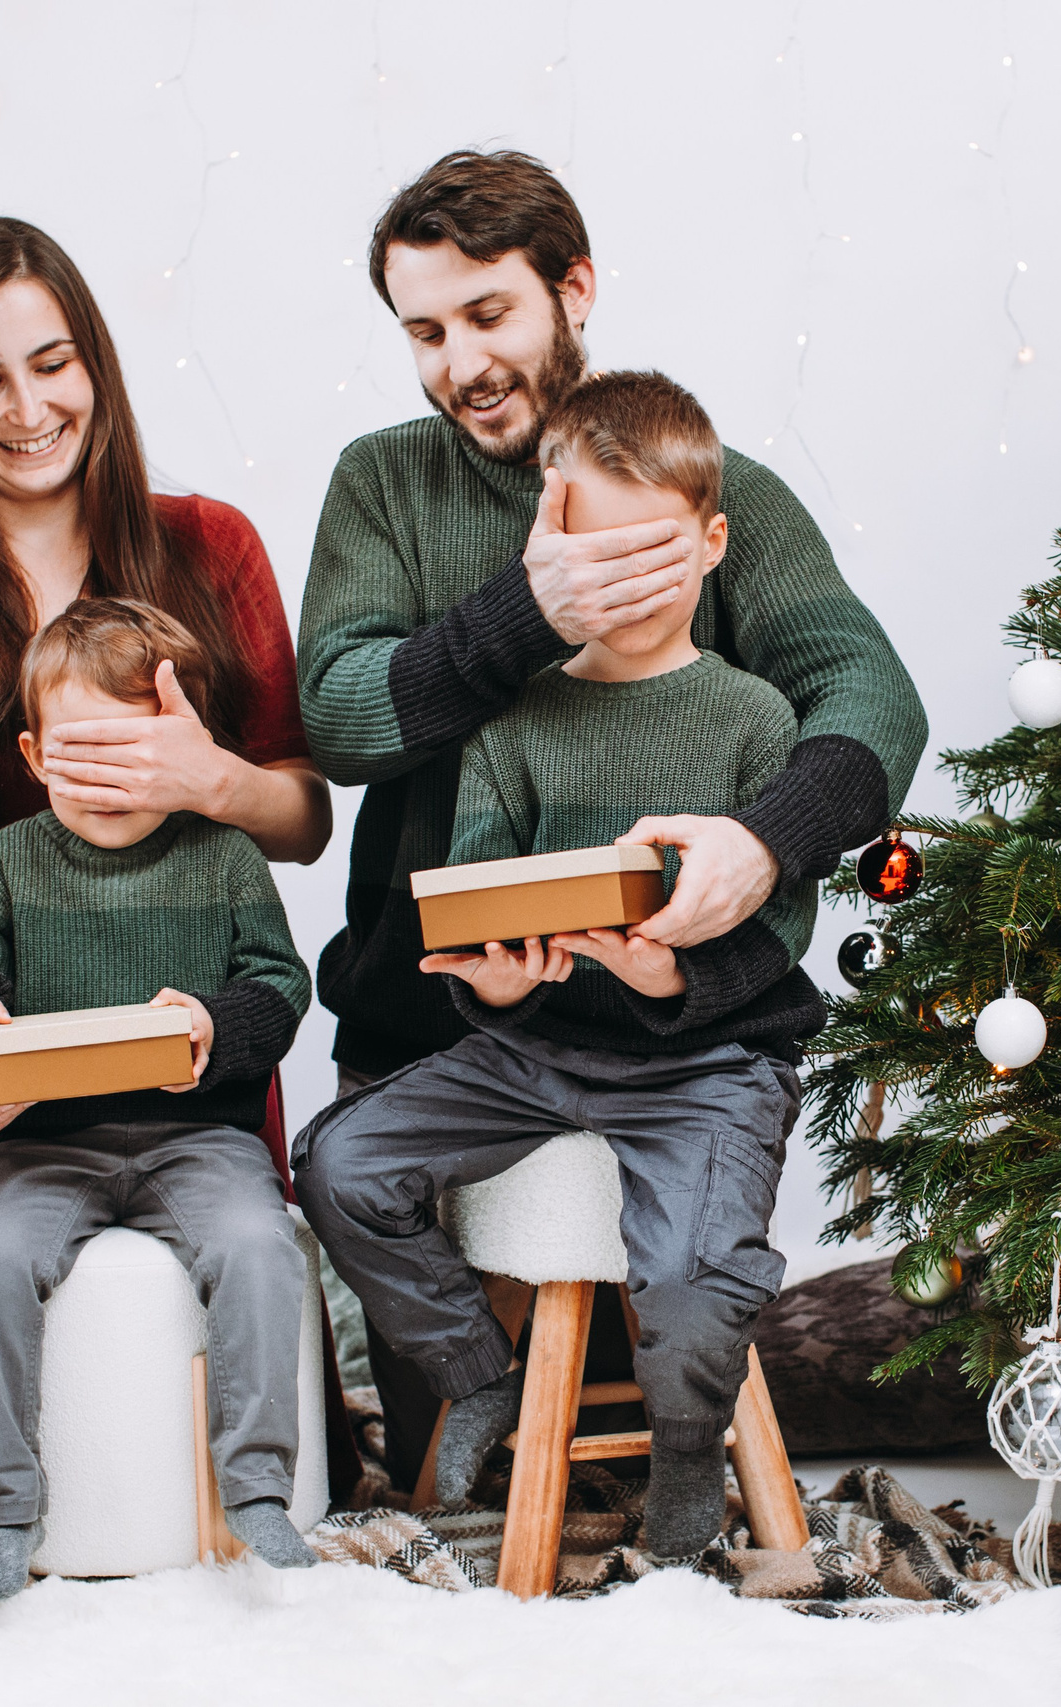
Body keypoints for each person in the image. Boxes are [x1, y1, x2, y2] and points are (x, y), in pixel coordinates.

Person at [298, 149, 926, 1484]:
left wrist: (766, 840)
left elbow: (870, 691)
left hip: (675, 1015)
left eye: (488, 317)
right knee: (458, 1470)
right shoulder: (384, 485)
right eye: (424, 331)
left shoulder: (709, 488)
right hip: (436, 1018)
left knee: (620, 1450)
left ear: (573, 289)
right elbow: (341, 717)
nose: (459, 364)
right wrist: (532, 616)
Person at [298, 372, 821, 1562]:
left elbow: (776, 936)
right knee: (340, 1163)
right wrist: (493, 980)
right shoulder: (512, 724)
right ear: (546, 545)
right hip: (526, 1052)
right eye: (596, 549)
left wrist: (656, 975)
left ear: (712, 544)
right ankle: (477, 1374)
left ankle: (687, 1457)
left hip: (704, 1067)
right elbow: (473, 912)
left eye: (655, 550)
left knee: (696, 1284)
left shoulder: (754, 722)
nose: (627, 582)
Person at [0, 216, 329, 1222]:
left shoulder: (210, 545)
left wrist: (209, 781)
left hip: (182, 1030)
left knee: (231, 1286)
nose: (29, 408)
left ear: (91, 362)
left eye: (52, 363)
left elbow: (305, 825)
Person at [0, 598, 317, 1601]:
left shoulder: (223, 856)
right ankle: (10, 1501)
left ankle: (257, 1481)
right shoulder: (9, 863)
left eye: (127, 754)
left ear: (179, 748)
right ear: (33, 753)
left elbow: (280, 985)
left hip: (198, 1140)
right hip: (44, 1146)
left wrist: (216, 1029)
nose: (98, 781)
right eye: (74, 754)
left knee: (262, 1246)